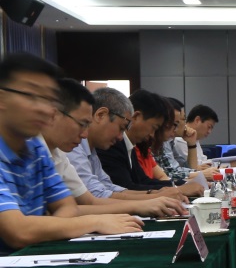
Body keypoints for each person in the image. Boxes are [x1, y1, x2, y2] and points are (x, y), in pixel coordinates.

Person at [0, 53, 145, 254]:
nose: (45, 110)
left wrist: (42, 228)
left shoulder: (36, 148)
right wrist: (93, 222)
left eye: (49, 100)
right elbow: (18, 232)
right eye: (32, 96)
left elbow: (68, 206)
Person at [41, 79, 184, 218]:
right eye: (82, 124)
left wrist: (152, 198)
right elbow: (89, 201)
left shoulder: (61, 153)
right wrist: (143, 203)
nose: (84, 134)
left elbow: (91, 198)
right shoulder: (66, 148)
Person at [97, 90, 200, 197]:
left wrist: (177, 187)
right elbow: (125, 187)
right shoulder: (113, 144)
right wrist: (174, 190)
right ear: (136, 117)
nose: (152, 134)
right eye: (153, 128)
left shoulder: (129, 145)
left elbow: (143, 180)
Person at [176, 104, 220, 173]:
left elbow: (203, 162)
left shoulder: (194, 138)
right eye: (209, 127)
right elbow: (193, 167)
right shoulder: (179, 140)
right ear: (197, 120)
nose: (209, 132)